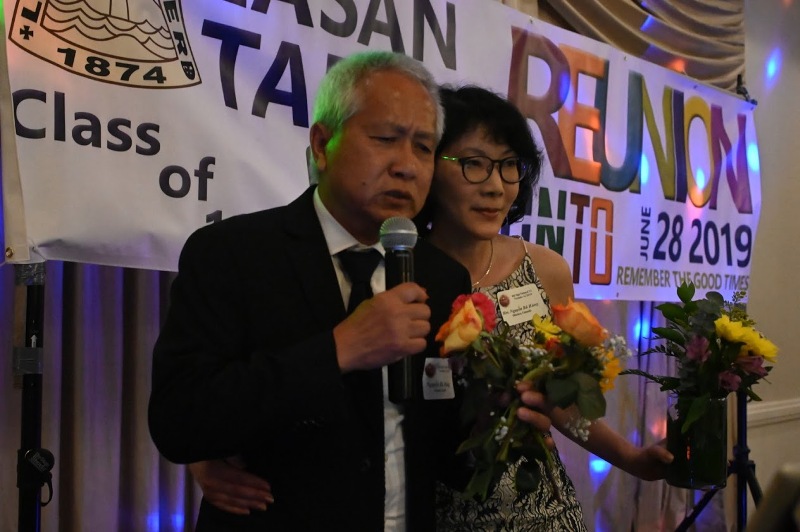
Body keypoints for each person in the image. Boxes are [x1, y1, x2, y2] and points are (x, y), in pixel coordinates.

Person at [148, 52, 554, 531]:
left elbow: (439, 453)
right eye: (385, 139)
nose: (406, 166)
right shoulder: (233, 253)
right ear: (323, 145)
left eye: (423, 148)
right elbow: (179, 421)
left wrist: (487, 426)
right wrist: (338, 350)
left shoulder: (441, 276)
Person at [420, 85, 673, 530]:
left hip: (546, 513)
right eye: (474, 164)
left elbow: (561, 403)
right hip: (440, 516)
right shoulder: (402, 271)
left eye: (509, 165)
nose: (496, 186)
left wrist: (632, 458)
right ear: (430, 167)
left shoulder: (545, 269)